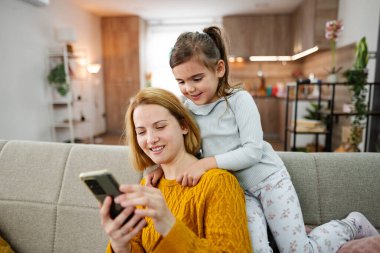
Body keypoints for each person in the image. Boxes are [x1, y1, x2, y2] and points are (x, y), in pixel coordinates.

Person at [146, 26, 379, 253]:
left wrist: (206, 163)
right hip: (238, 192)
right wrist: (159, 166)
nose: (189, 88)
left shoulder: (239, 100)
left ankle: (351, 225)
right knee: (256, 249)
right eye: (181, 81)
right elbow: (182, 146)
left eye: (196, 78)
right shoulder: (186, 110)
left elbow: (252, 152)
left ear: (219, 69)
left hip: (269, 182)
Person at [100, 87, 252, 253]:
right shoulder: (149, 185)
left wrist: (170, 226)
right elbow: (139, 247)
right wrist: (121, 246)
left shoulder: (219, 183)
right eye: (141, 132)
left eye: (160, 127)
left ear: (183, 126)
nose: (150, 139)